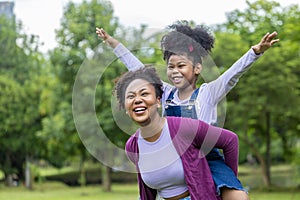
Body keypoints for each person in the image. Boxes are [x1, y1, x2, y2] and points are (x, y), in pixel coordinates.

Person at [96, 21, 279, 200]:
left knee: (239, 196)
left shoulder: (207, 93)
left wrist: (255, 52)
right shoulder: (166, 93)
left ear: (197, 68)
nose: (175, 71)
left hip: (206, 158)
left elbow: (232, 75)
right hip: (174, 158)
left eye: (181, 66)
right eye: (171, 67)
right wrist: (113, 43)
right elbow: (137, 68)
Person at [115, 66, 239, 200]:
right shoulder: (133, 146)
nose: (137, 100)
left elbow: (230, 140)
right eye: (130, 96)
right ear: (126, 108)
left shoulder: (184, 128)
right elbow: (146, 192)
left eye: (144, 93)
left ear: (158, 101)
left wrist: (230, 184)